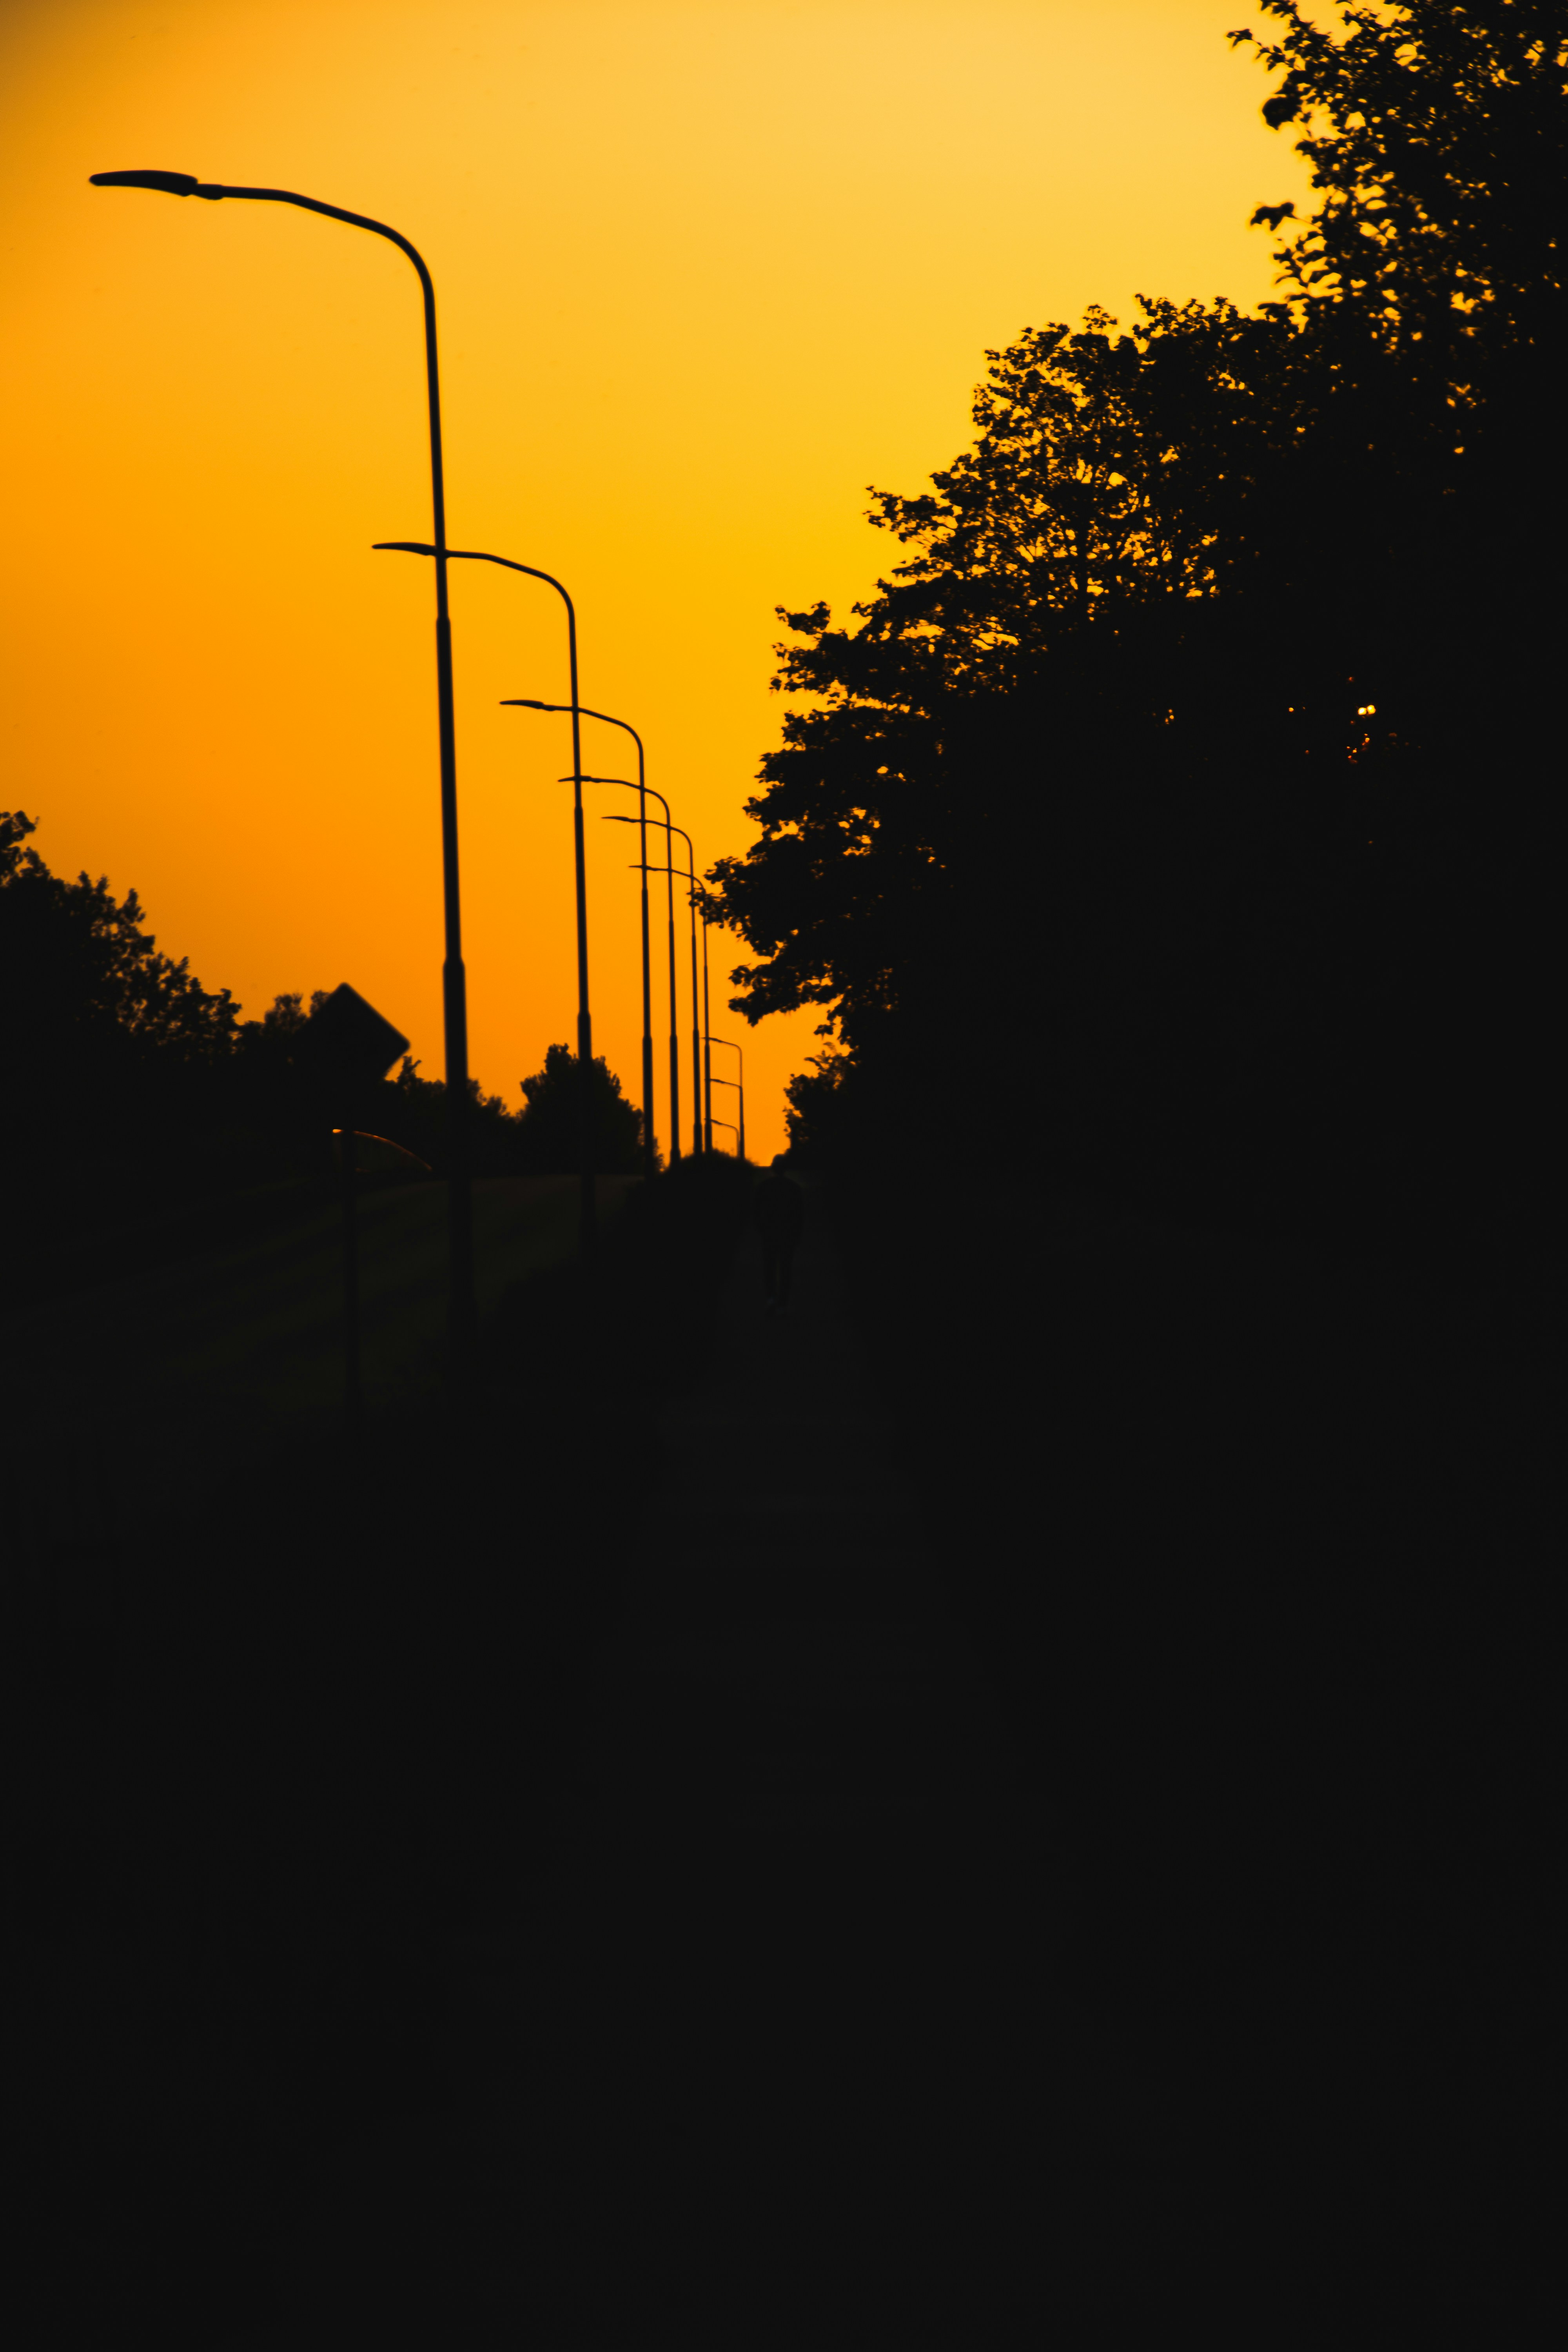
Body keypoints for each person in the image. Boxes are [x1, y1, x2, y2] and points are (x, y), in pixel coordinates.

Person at [753, 1154, 805, 1312]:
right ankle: (783, 1303)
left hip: (769, 1233)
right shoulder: (795, 1188)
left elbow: (756, 1212)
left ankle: (771, 1299)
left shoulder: (764, 1187)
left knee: (769, 1267)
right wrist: (797, 1234)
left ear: (773, 1169)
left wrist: (761, 1229)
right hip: (788, 1234)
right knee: (786, 1269)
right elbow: (800, 1214)